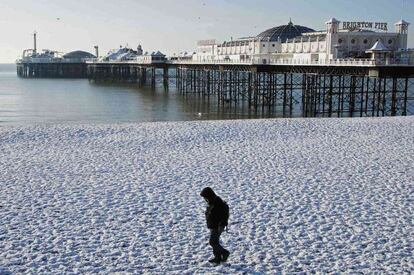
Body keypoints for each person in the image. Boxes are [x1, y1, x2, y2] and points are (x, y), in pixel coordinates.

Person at [200, 187, 230, 264]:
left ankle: (224, 252)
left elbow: (222, 215)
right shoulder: (212, 201)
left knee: (212, 242)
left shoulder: (217, 203)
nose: (205, 199)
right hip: (213, 225)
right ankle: (217, 257)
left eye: (205, 197)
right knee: (215, 241)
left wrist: (221, 225)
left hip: (217, 226)